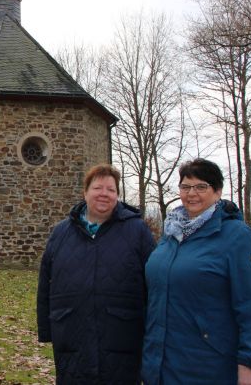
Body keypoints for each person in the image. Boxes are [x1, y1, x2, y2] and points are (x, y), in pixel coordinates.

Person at [142, 158, 251, 385]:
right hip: (161, 360)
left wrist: (250, 362)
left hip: (207, 363)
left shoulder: (235, 236)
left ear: (217, 191)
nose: (191, 193)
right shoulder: (171, 233)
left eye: (201, 186)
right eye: (185, 187)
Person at [37, 163, 156, 384]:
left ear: (118, 195)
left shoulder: (137, 230)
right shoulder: (61, 233)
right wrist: (46, 328)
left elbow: (154, 284)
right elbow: (46, 281)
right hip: (72, 334)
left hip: (122, 336)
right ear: (85, 192)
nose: (104, 194)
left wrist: (153, 331)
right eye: (97, 188)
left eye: (111, 190)